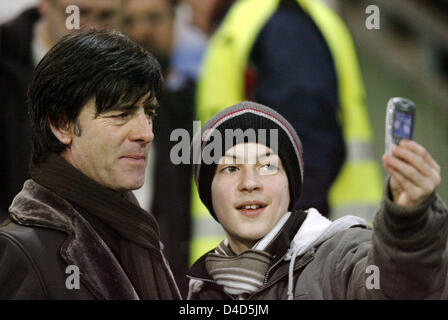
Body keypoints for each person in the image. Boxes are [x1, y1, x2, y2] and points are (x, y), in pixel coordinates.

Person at [187, 101, 447, 300]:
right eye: (230, 169)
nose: (250, 183)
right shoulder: (201, 287)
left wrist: (409, 224)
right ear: (208, 192)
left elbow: (402, 287)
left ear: (291, 184)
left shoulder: (340, 255)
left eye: (267, 166)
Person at [0, 30, 181, 300]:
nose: (146, 133)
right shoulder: (21, 250)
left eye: (149, 113)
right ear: (62, 125)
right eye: (121, 114)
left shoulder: (135, 230)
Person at [0, 0, 122, 220]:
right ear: (45, 4)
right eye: (79, 13)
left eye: (105, 16)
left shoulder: (135, 78)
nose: (92, 27)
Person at [122, 0, 200, 297]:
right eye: (129, 22)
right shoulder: (93, 116)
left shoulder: (199, 104)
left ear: (175, 20)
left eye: (154, 18)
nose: (142, 31)